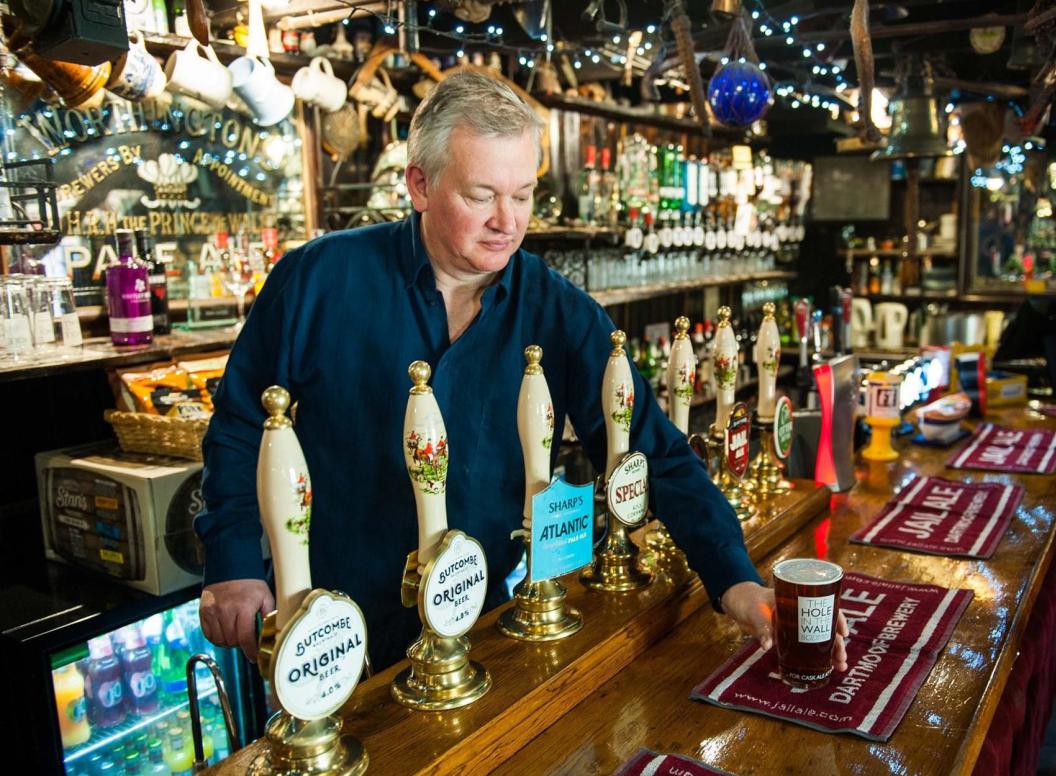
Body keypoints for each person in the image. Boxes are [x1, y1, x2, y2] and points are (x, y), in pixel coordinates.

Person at [195, 71, 848, 671]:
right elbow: (238, 424)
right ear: (419, 184)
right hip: (324, 631)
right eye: (481, 195)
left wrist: (735, 583)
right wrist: (231, 563)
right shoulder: (319, 278)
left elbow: (655, 453)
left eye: (523, 194)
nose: (508, 222)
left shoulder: (557, 312)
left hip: (478, 624)